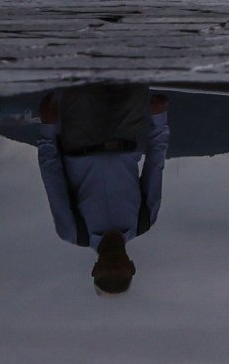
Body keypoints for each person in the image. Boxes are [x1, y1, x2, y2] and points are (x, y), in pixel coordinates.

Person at [36, 80, 169, 293]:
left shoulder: (73, 231)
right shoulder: (144, 220)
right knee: (133, 65)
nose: (113, 262)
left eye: (108, 268)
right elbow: (155, 166)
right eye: (119, 268)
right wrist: (159, 120)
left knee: (83, 66)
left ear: (95, 269)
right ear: (132, 267)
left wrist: (48, 129)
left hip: (80, 134)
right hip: (127, 132)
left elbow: (52, 178)